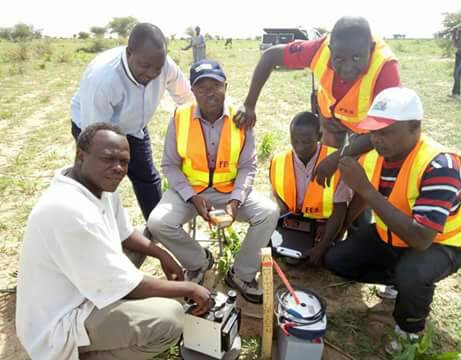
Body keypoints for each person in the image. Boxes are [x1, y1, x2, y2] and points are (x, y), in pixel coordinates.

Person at [16, 123, 211, 360]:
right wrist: (189, 288)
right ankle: (87, 355)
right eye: (108, 159)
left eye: (124, 161)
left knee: (142, 243)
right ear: (81, 156)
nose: (118, 168)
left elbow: (125, 234)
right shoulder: (67, 210)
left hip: (84, 288)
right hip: (61, 319)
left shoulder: (98, 184)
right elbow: (130, 285)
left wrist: (162, 254)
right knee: (169, 317)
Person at [324, 87, 461, 353]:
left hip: (440, 246)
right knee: (336, 260)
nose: (377, 139)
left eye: (386, 131)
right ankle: (400, 281)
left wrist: (365, 187)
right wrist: (343, 230)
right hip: (391, 236)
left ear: (415, 127)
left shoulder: (440, 166)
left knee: (413, 273)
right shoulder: (380, 156)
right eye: (374, 131)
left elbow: (420, 238)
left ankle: (409, 330)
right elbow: (363, 199)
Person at [147, 59, 279, 304]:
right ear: (193, 90)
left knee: (269, 212)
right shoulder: (179, 116)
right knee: (157, 222)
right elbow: (169, 164)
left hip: (228, 191)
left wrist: (236, 199)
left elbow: (248, 166)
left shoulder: (241, 118)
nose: (210, 92)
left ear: (225, 87)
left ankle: (241, 274)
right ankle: (199, 261)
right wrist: (191, 195)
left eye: (215, 85)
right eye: (202, 87)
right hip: (189, 192)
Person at [234, 16, 400, 188]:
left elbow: (388, 130)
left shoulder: (385, 68)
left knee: (360, 182)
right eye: (339, 59)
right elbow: (270, 56)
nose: (348, 67)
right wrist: (249, 105)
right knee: (325, 182)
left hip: (366, 135)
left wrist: (339, 157)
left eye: (357, 58)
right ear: (330, 50)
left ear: (371, 49)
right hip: (329, 124)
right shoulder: (317, 50)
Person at [70, 23, 193, 220]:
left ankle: (157, 229)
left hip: (135, 127)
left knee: (147, 177)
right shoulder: (103, 79)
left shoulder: (165, 65)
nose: (152, 73)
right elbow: (95, 135)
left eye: (157, 68)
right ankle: (101, 228)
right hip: (93, 127)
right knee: (99, 180)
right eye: (145, 66)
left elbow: (187, 98)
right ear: (129, 53)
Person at [269, 112, 354, 266]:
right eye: (295, 141)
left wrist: (322, 247)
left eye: (306, 142)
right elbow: (276, 198)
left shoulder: (335, 163)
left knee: (330, 260)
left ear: (319, 136)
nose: (300, 147)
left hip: (323, 224)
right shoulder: (279, 161)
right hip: (292, 220)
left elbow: (340, 211)